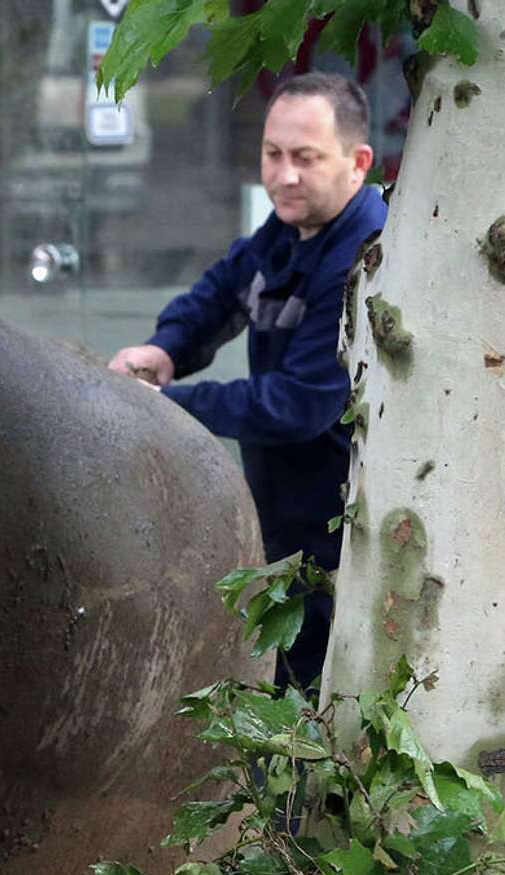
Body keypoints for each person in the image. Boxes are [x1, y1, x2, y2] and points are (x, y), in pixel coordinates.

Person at [110, 72, 387, 693]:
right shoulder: (289, 229)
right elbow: (221, 292)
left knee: (320, 704)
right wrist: (166, 349)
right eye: (273, 155)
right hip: (284, 524)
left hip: (345, 538)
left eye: (306, 159)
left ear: (358, 162)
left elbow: (299, 406)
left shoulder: (366, 254)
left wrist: (166, 404)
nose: (284, 175)